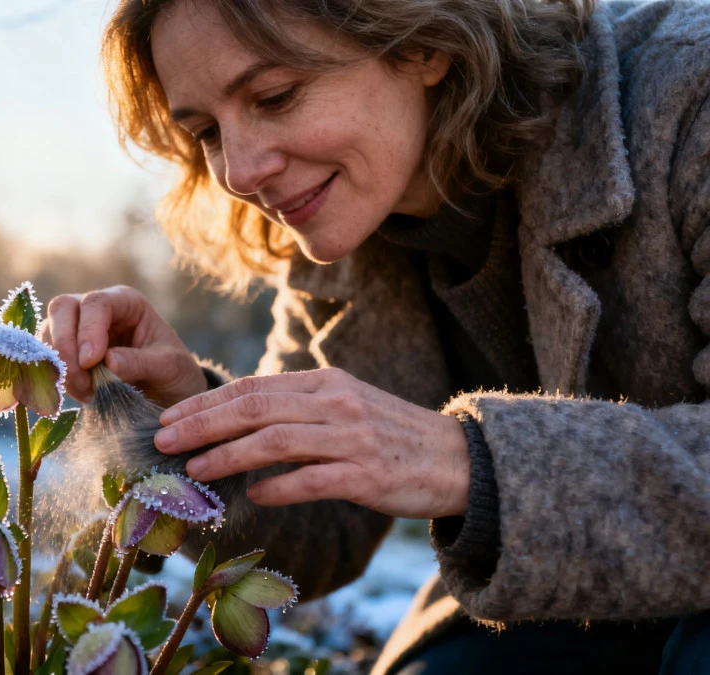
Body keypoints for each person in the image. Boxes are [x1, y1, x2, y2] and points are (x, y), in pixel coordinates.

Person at [40, 0, 710, 672]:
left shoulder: (690, 92)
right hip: (581, 608)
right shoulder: (345, 234)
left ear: (424, 42)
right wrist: (184, 417)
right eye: (207, 131)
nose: (239, 172)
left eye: (275, 96)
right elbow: (312, 536)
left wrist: (468, 462)